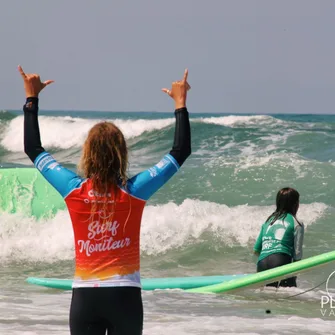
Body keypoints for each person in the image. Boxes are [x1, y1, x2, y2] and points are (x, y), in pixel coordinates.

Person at [19, 65, 191, 335]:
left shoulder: (72, 189)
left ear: (87, 154)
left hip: (85, 299)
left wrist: (32, 99)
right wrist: (180, 104)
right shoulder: (135, 191)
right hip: (125, 297)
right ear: (122, 153)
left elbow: (33, 149)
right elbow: (180, 152)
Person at [253, 187, 304, 288]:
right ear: (295, 204)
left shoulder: (268, 221)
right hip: (280, 261)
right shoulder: (296, 222)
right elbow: (297, 254)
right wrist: (293, 277)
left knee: (268, 296)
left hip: (262, 264)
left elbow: (256, 250)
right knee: (290, 295)